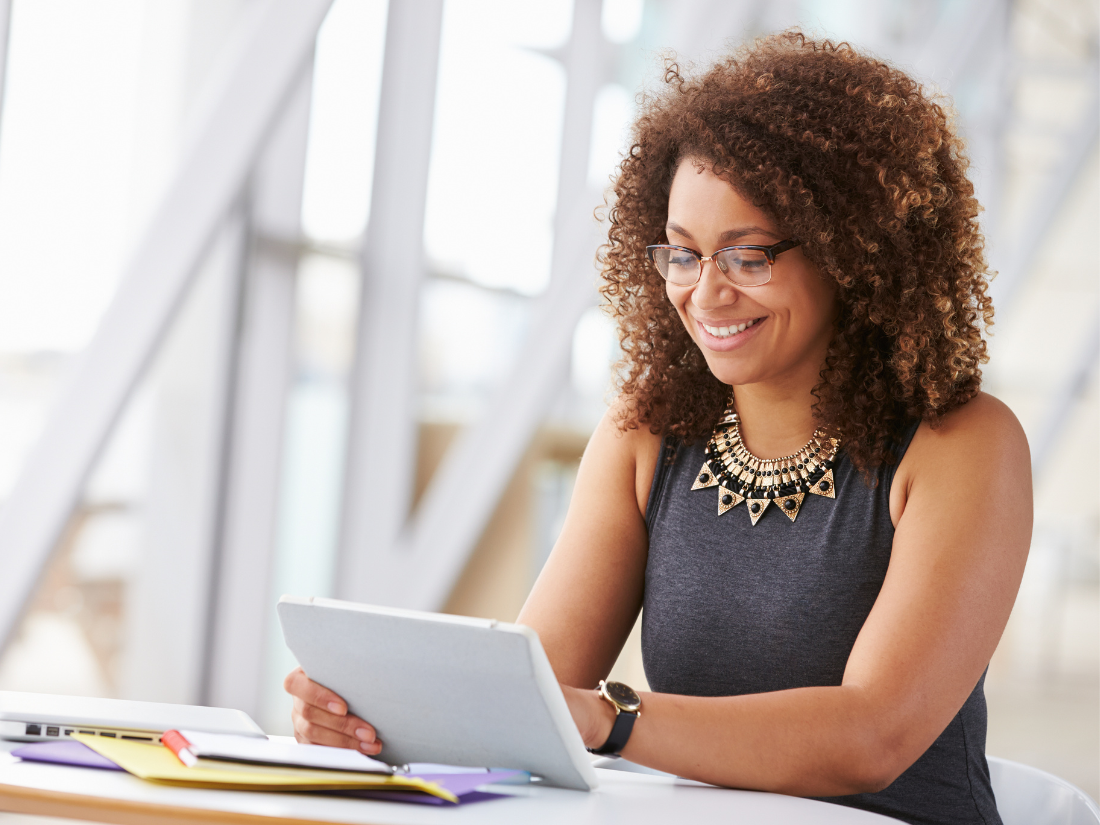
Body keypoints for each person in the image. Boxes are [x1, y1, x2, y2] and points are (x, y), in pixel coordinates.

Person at [284, 31, 1031, 825]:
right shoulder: (649, 433)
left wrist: (614, 716)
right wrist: (373, 723)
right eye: (682, 254)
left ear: (854, 252)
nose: (705, 294)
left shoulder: (964, 445)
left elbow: (870, 734)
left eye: (747, 257)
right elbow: (530, 694)